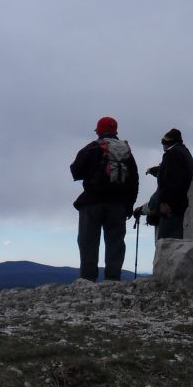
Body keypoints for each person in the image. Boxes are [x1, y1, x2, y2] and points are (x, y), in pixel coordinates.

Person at [69, 116, 138, 281]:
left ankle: (87, 279)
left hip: (92, 202)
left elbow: (75, 170)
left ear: (99, 131)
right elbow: (133, 180)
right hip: (118, 204)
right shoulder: (127, 152)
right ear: (116, 131)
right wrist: (129, 205)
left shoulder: (91, 148)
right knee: (115, 242)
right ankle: (112, 279)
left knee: (88, 242)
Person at [134, 128, 193, 240]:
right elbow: (174, 173)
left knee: (167, 243)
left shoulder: (172, 154)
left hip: (172, 207)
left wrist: (165, 202)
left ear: (166, 143)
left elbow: (170, 179)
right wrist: (156, 171)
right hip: (182, 204)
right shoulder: (184, 152)